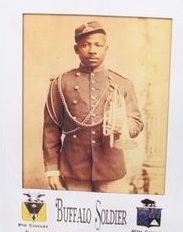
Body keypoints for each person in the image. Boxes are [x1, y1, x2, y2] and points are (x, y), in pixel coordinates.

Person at [43, 20, 143, 193]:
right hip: (74, 169)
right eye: (85, 45)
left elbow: (136, 121)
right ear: (76, 49)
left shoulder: (122, 83)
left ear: (106, 48)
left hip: (111, 169)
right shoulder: (61, 84)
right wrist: (52, 170)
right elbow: (51, 129)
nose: (92, 50)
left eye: (98, 45)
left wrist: (123, 125)